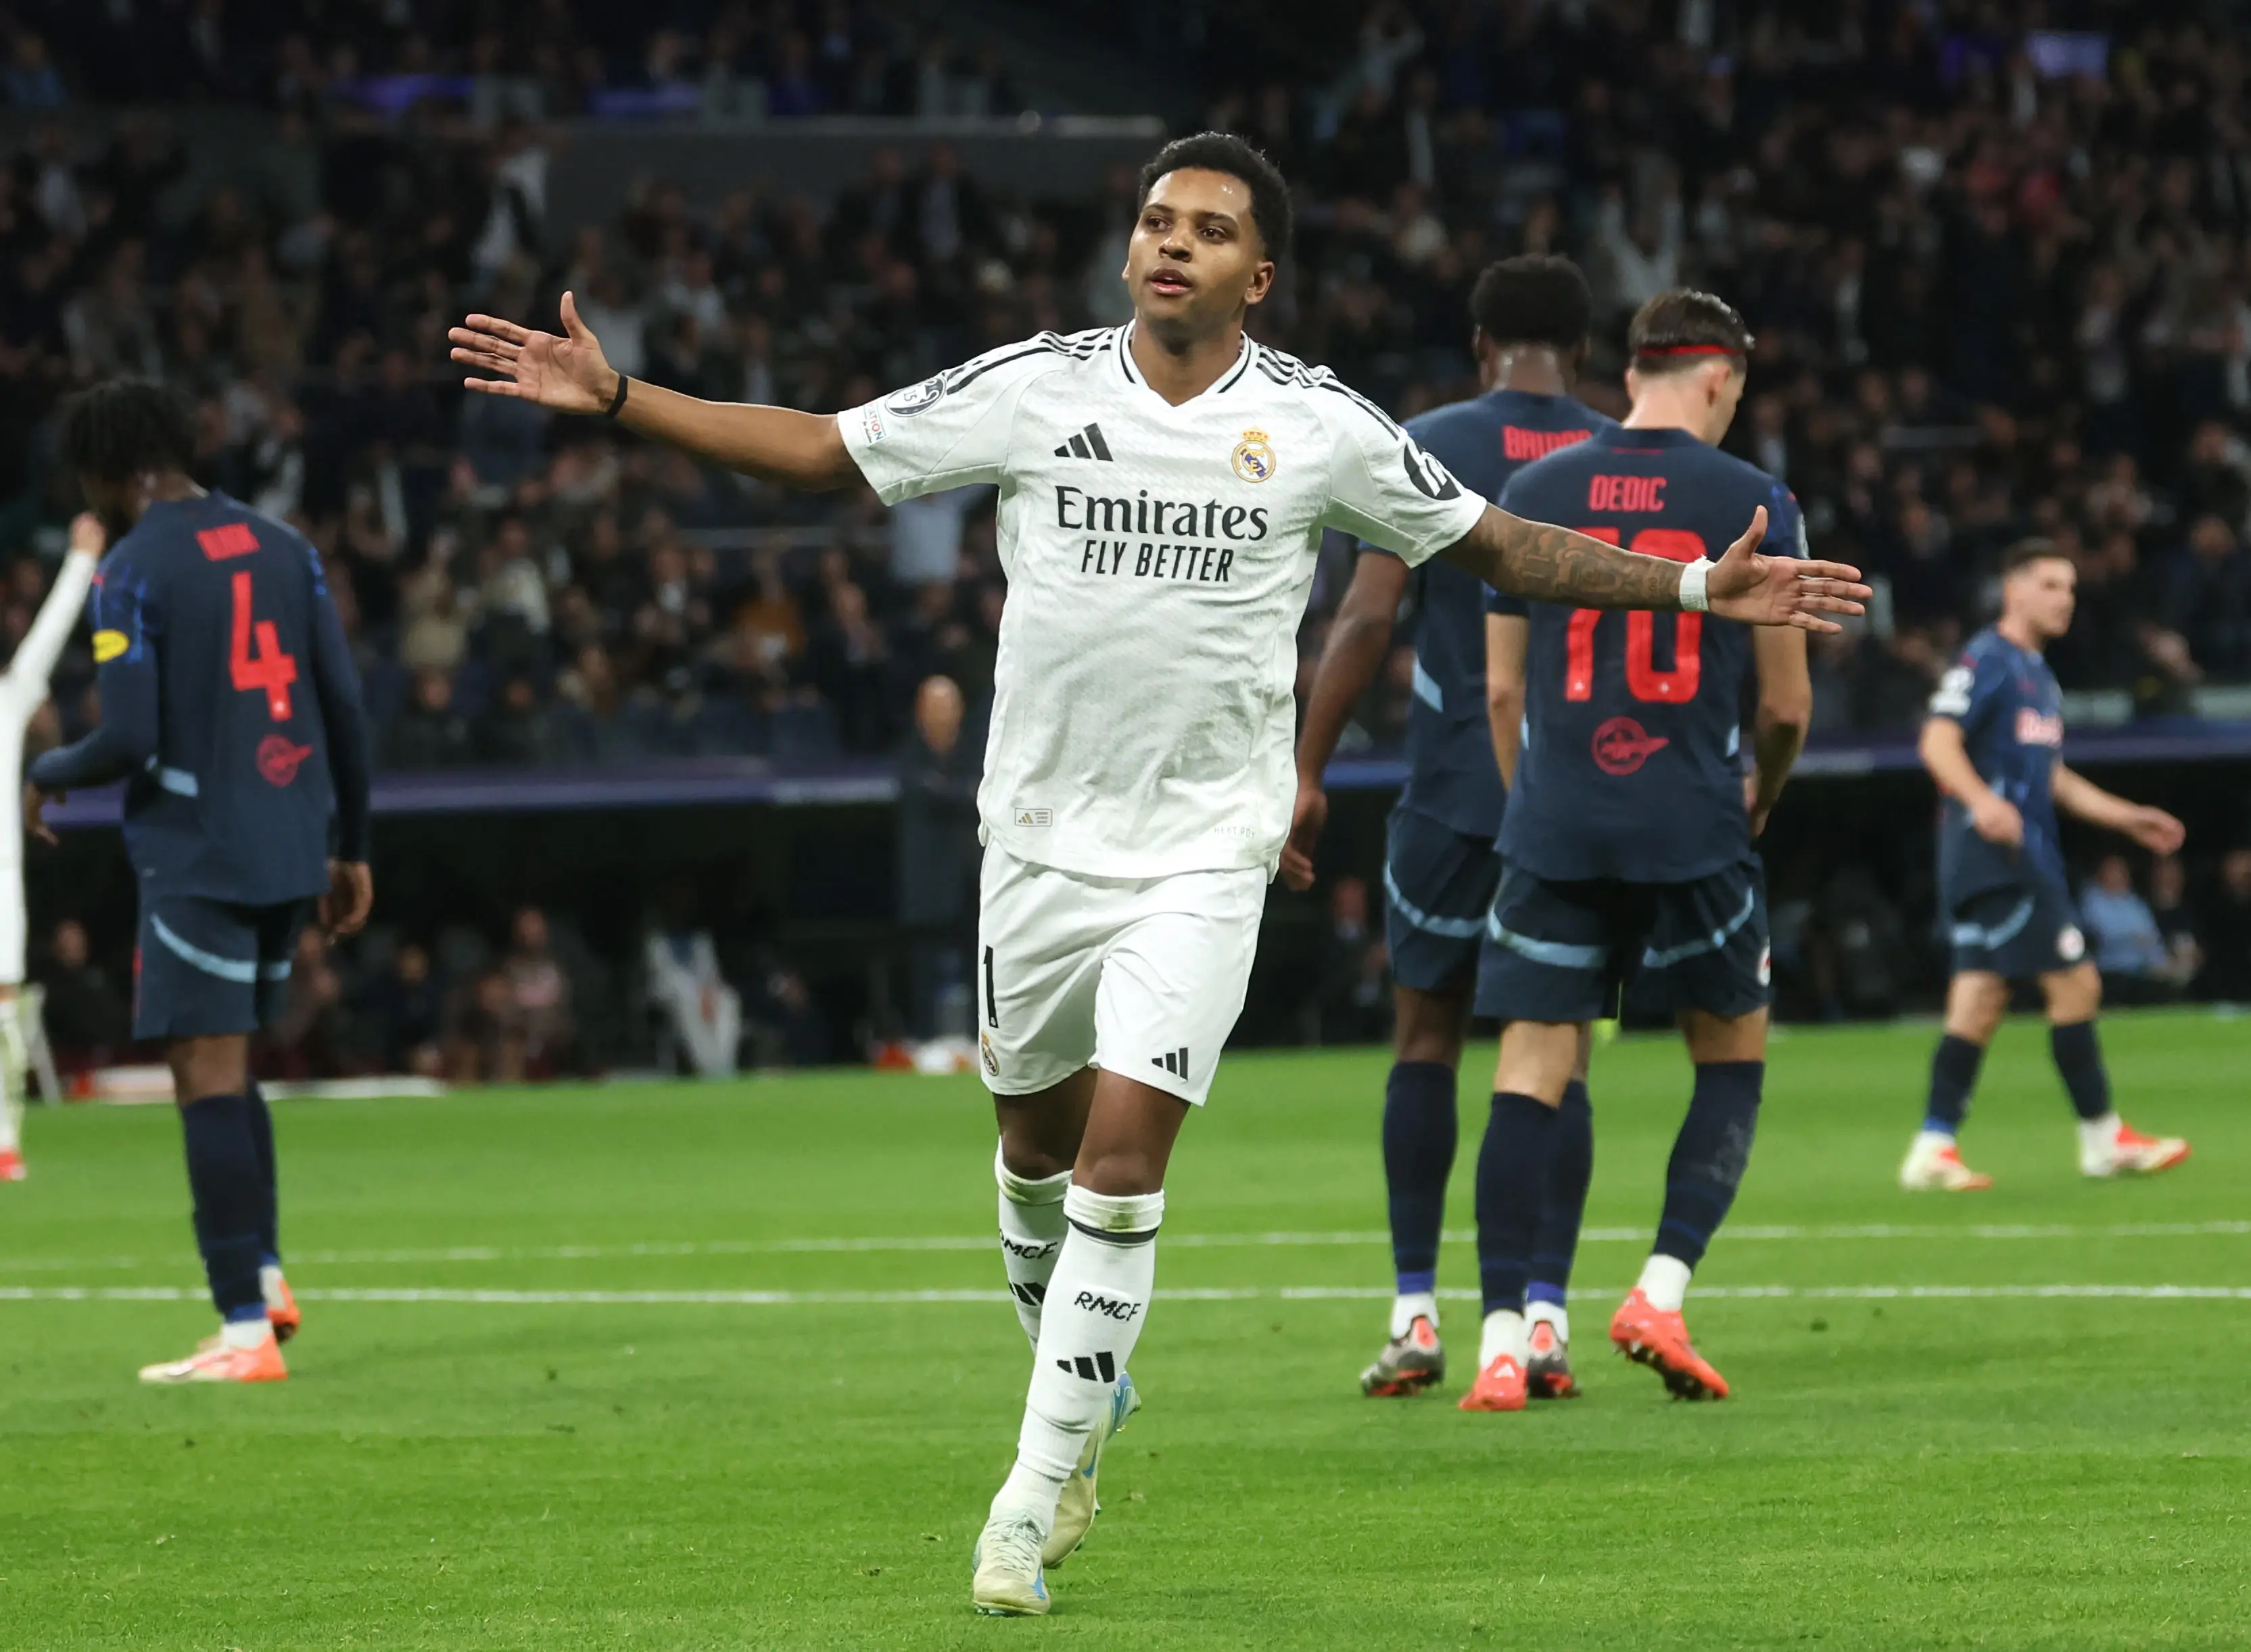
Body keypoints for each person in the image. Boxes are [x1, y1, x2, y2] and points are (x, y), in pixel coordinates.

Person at [450, 133, 1864, 1618]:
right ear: (1129, 250)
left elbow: (1497, 545)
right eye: (1154, 220)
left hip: (1202, 850)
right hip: (1038, 844)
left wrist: (1692, 585)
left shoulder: (1314, 422)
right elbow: (822, 448)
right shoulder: (1034, 386)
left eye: (1207, 228)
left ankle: (1024, 1500)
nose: (1171, 242)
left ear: (1257, 275)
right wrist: (619, 397)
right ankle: (1081, 1399)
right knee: (1032, 1153)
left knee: (1121, 1167)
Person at [1464, 289, 1815, 1411]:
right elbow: (1786, 705)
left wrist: (1534, 803)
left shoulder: (1530, 492)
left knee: (1528, 1068)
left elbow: (1500, 690)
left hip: (1556, 820)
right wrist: (1760, 795)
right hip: (1691, 818)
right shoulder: (1755, 499)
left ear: (1630, 374)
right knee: (1729, 1055)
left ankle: (1501, 1344)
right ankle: (1657, 1291)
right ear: (1719, 378)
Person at [1282, 254, 1615, 1403]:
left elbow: (1368, 613)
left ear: (1479, 347)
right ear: (1581, 352)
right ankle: (1543, 1320)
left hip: (1449, 798)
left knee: (1423, 1040)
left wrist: (1307, 767)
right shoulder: (1614, 454)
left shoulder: (1422, 440)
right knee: (1557, 1055)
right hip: (1572, 804)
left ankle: (1414, 1312)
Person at [24, 377, 373, 1384]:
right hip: (293, 839)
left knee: (204, 1069)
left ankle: (241, 1329)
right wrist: (352, 846)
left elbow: (128, 736)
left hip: (200, 847)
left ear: (113, 467)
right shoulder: (285, 545)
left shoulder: (131, 568)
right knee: (232, 1059)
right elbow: (344, 705)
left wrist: (44, 770)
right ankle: (262, 1278)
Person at [1900, 539, 2189, 1191]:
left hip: (1995, 859)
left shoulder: (2039, 676)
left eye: (2071, 589)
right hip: (2001, 858)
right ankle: (2102, 1138)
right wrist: (1982, 802)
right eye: (2051, 585)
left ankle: (1931, 1147)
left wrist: (2125, 816)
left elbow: (2051, 774)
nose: (2065, 599)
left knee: (1977, 1001)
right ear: (2014, 590)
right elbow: (1936, 741)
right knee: (2075, 983)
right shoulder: (1989, 659)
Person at [0, 522, 99, 1180]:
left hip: (1, 881)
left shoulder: (7, 703)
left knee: (5, 1010)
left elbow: (46, 641)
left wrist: (82, 561)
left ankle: (4, 1139)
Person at [896, 674, 981, 1040]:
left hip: (972, 881)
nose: (942, 713)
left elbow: (984, 793)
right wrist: (963, 795)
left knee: (982, 967)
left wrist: (949, 792)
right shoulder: (909, 754)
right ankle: (924, 1043)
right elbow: (923, 792)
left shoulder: (978, 751)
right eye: (934, 706)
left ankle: (984, 1045)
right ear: (920, 712)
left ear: (960, 710)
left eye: (948, 705)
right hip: (928, 884)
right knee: (924, 970)